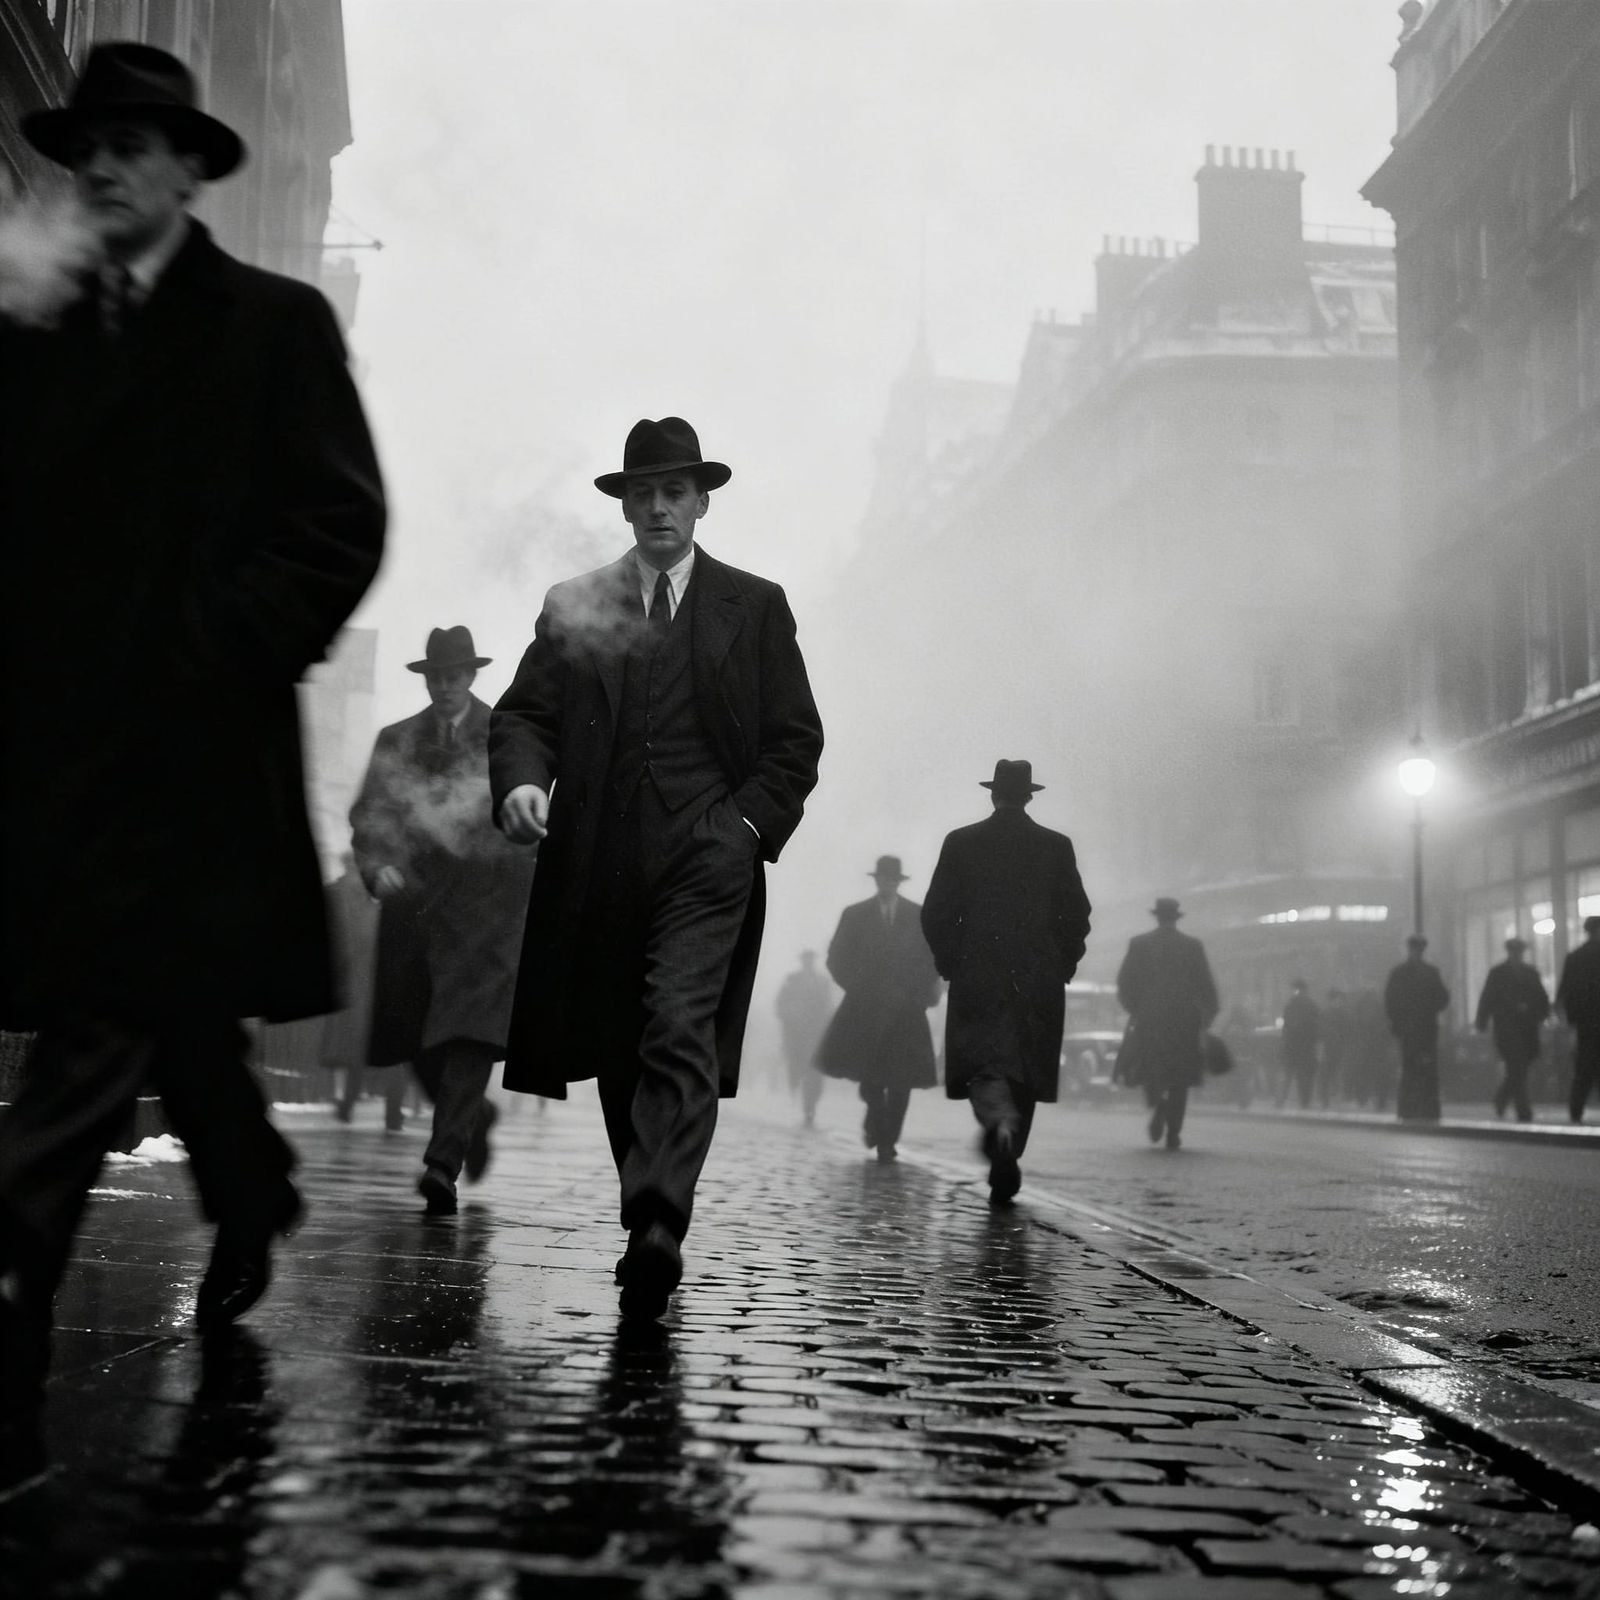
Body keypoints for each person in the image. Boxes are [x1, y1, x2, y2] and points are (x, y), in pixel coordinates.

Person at [0, 45, 385, 1481]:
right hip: (61, 748)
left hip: (201, 745)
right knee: (174, 1009)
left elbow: (339, 523)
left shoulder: (272, 325)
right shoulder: (33, 327)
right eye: (84, 148)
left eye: (130, 144)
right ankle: (250, 1180)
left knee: (103, 1007)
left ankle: (15, 1261)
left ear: (186, 168)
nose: (99, 168)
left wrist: (224, 644)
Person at [490, 417, 823, 1320]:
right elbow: (525, 716)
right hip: (599, 859)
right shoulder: (577, 605)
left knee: (678, 1022)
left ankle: (658, 1221)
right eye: (643, 493)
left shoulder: (754, 605)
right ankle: (649, 1206)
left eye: (675, 491)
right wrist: (521, 783)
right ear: (625, 507)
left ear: (702, 502)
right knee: (617, 1040)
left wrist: (743, 827)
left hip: (708, 858)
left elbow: (795, 739)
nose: (658, 508)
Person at [351, 626, 537, 1214]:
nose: (445, 685)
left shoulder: (507, 734)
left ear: (472, 675)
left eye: (454, 675)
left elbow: (529, 814)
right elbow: (369, 816)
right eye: (436, 676)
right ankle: (473, 1118)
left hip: (486, 907)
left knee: (468, 1033)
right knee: (413, 1036)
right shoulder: (396, 739)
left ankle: (442, 1165)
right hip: (414, 906)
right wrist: (377, 867)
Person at [922, 761, 1091, 1201]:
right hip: (1037, 979)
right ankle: (1010, 1147)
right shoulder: (1056, 846)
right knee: (1027, 1070)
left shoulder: (961, 842)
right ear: (1029, 796)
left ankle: (998, 1126)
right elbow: (1077, 914)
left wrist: (951, 961)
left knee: (984, 1066)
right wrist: (1063, 962)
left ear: (993, 795)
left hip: (977, 974)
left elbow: (936, 912)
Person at [816, 856, 942, 1161]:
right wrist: (857, 987)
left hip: (906, 1010)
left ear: (898, 882)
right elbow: (836, 957)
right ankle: (876, 1115)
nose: (886, 883)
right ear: (876, 880)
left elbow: (931, 959)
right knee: (869, 1076)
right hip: (865, 1010)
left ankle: (888, 1141)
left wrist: (920, 993)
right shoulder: (855, 914)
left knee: (901, 1079)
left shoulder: (918, 916)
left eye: (891, 879)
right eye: (882, 878)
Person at [1116, 898, 1218, 1152]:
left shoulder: (1139, 944)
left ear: (1157, 917)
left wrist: (1135, 1008)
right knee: (1180, 1079)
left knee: (1150, 1069)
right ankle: (1173, 1132)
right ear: (1175, 917)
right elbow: (1206, 986)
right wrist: (1206, 1016)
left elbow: (1124, 982)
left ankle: (1159, 1105)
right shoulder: (1192, 946)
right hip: (1184, 1022)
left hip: (1150, 1020)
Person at [1474, 936, 1551, 1123]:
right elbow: (1488, 998)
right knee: (1516, 1066)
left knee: (1519, 1068)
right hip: (1507, 1028)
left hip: (1527, 1028)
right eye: (1514, 952)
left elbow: (1541, 998)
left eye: (1519, 952)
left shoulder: (1530, 973)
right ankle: (1523, 1109)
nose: (1517, 955)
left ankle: (1502, 1098)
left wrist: (1538, 1012)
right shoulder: (1498, 973)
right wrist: (1482, 1020)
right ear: (1509, 952)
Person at [1383, 934, 1450, 1121]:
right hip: (1426, 1028)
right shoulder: (1431, 972)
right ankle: (1428, 1110)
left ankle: (1408, 1109)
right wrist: (1430, 1008)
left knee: (1410, 1069)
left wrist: (1397, 1024)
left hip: (1410, 1029)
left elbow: (1390, 1002)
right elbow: (1443, 999)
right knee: (1426, 1069)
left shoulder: (1398, 973)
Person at [775, 950, 833, 1127]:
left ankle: (810, 1104)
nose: (808, 963)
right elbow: (781, 1004)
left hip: (816, 1033)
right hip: (796, 1033)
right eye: (806, 960)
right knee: (798, 1066)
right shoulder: (792, 980)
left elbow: (828, 1006)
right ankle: (802, 1095)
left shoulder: (822, 982)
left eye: (810, 960)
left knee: (814, 1070)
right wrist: (790, 1016)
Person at [1556, 915, 1600, 1123]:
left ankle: (1576, 1108)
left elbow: (1565, 988)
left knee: (1585, 1066)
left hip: (1585, 1020)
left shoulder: (1575, 957)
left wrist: (1569, 1015)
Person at [1280, 979, 1322, 1110]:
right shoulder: (1312, 1005)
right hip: (1307, 1046)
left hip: (1293, 1046)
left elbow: (1286, 1027)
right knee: (1306, 1076)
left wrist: (1285, 1042)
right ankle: (1305, 1101)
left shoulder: (1290, 1005)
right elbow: (1318, 1026)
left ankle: (1280, 1100)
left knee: (1288, 1074)